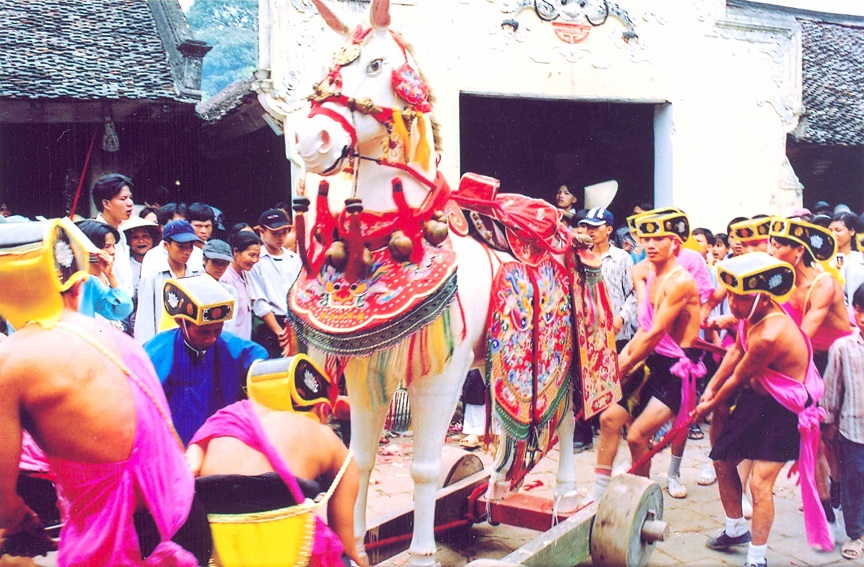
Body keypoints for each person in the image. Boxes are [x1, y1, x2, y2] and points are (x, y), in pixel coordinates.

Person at [0, 218, 211, 565]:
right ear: (77, 285)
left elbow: (2, 500)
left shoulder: (11, 359)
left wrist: (19, 520)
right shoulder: (111, 335)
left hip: (123, 538)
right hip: (185, 516)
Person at [694, 252, 832, 566]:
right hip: (760, 399)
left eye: (739, 297)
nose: (731, 303)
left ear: (764, 298)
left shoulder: (770, 334)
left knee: (759, 482)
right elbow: (735, 353)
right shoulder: (751, 316)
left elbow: (739, 375)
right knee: (722, 460)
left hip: (787, 409)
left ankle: (757, 558)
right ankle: (734, 529)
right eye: (730, 294)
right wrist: (710, 388)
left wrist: (708, 405)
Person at [186, 355, 366, 566]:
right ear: (319, 408)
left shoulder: (218, 424)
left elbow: (189, 471)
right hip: (289, 556)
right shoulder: (324, 436)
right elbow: (347, 546)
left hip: (220, 555)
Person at [593, 208, 703, 502]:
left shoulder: (679, 281)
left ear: (675, 242)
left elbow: (655, 333)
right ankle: (597, 496)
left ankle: (641, 502)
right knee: (609, 420)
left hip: (677, 369)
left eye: (659, 239)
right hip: (653, 362)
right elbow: (644, 329)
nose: (650, 245)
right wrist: (619, 363)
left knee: (637, 436)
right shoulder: (652, 273)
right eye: (647, 239)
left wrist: (622, 366)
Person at [144, 274, 267, 445]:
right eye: (204, 332)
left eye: (218, 330)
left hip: (216, 444)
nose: (212, 339)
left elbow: (258, 359)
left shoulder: (226, 344)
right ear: (181, 322)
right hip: (170, 446)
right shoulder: (156, 353)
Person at [576, 207, 637, 452]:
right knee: (584, 381)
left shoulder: (622, 258)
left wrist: (622, 318)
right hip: (589, 330)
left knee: (616, 381)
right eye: (587, 227)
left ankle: (615, 428)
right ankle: (584, 434)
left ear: (609, 229)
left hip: (616, 330)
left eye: (595, 227)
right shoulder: (582, 256)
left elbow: (633, 293)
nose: (590, 231)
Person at [822, 283, 864, 560]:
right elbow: (832, 388)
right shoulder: (843, 347)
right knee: (854, 481)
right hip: (853, 429)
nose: (863, 317)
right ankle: (856, 534)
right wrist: (828, 422)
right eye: (859, 310)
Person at [134, 220, 204, 344]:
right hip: (163, 343)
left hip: (192, 343)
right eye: (181, 246)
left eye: (190, 246)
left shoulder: (198, 275)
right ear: (166, 246)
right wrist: (148, 348)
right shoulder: (153, 276)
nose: (187, 251)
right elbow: (144, 318)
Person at [249, 208, 302, 358]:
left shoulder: (294, 259)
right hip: (269, 325)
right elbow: (259, 301)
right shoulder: (256, 261)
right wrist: (280, 333)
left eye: (284, 232)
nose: (281, 237)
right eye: (275, 233)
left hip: (295, 323)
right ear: (262, 231)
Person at [75, 220, 134, 324]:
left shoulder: (93, 282)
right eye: (107, 247)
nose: (112, 252)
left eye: (113, 246)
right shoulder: (77, 280)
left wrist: (111, 276)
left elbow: (122, 310)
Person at [91, 173, 135, 297]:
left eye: (130, 198)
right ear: (106, 204)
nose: (130, 203)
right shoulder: (94, 235)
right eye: (123, 198)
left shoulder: (121, 232)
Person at [220, 230, 262, 341]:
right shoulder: (226, 279)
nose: (255, 260)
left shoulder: (245, 274)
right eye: (251, 255)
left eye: (258, 255)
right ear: (236, 252)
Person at [121, 215, 160, 297]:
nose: (141, 241)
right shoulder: (124, 265)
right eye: (135, 237)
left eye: (145, 236)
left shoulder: (161, 262)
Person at [830, 211, 864, 304]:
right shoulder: (823, 261)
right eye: (830, 230)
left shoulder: (860, 258)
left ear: (852, 231)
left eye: (838, 230)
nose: (833, 234)